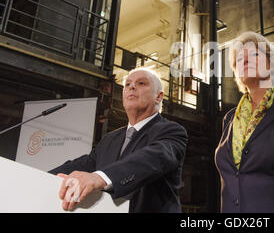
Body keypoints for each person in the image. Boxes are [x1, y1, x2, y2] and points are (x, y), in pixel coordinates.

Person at [49, 68, 188, 213]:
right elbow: (85, 164)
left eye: (141, 83)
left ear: (158, 97)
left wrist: (100, 178)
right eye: (127, 84)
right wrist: (32, 175)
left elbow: (153, 158)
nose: (131, 87)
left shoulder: (172, 131)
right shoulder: (110, 138)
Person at [215, 31, 274, 212]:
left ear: (272, 63)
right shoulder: (230, 119)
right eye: (239, 60)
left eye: (255, 54)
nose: (246, 60)